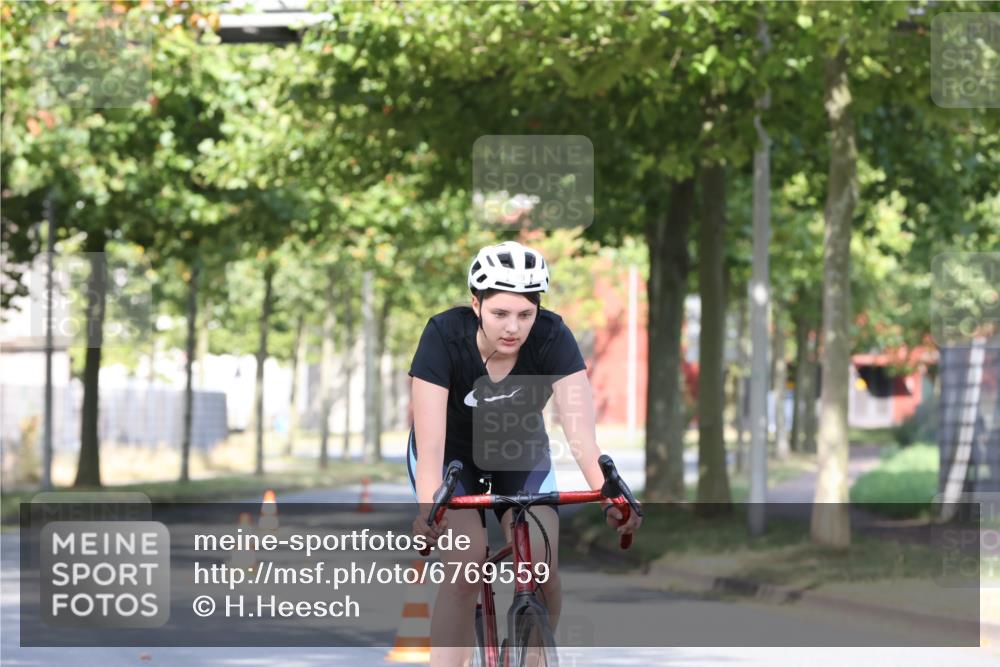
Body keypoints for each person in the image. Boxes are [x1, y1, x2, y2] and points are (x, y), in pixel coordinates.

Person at [407, 240, 642, 666]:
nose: (512, 327)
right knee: (466, 562)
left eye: (525, 314)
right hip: (451, 459)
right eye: (499, 313)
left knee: (542, 562)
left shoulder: (553, 338)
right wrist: (429, 510)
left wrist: (611, 497)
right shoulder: (443, 336)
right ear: (475, 304)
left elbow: (583, 440)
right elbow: (431, 449)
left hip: (519, 453)